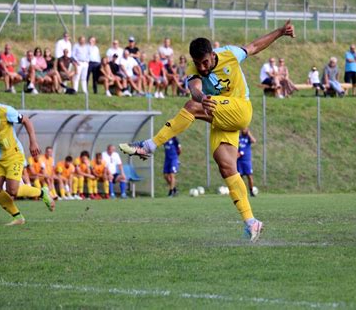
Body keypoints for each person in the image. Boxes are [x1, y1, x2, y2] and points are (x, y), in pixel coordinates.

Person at [119, 20, 296, 243]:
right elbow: (194, 89)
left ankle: (149, 145)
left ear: (212, 55)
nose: (201, 68)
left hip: (241, 108)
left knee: (191, 108)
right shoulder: (193, 68)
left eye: (204, 62)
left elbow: (254, 47)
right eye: (197, 63)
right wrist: (203, 98)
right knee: (226, 166)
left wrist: (280, 32)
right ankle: (251, 222)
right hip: (221, 115)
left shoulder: (230, 54)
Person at [0, 104, 54, 226]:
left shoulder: (5, 111)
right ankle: (18, 218)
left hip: (13, 155)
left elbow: (26, 121)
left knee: (12, 190)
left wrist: (33, 142)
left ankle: (42, 193)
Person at [237, 128, 257, 197]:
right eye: (242, 129)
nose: (243, 130)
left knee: (249, 176)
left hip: (247, 160)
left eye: (245, 129)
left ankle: (251, 191)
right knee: (240, 177)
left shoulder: (248, 138)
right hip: (239, 160)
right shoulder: (238, 138)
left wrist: (248, 133)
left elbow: (254, 141)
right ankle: (241, 192)